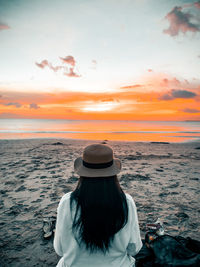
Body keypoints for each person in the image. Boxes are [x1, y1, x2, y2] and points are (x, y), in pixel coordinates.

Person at [54, 143, 142, 267]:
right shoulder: (126, 202)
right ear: (113, 174)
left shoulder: (66, 202)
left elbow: (59, 250)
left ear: (82, 174)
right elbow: (134, 249)